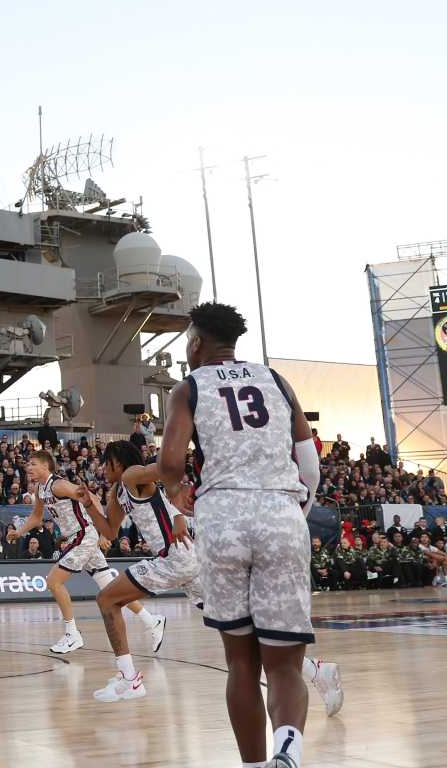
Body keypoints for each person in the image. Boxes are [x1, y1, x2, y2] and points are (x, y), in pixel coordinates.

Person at [156, 302, 319, 768]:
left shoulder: (189, 387)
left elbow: (170, 463)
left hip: (223, 516)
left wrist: (177, 490)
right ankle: (287, 753)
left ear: (196, 343)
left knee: (241, 662)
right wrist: (293, 514)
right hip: (280, 513)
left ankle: (252, 765)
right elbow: (308, 464)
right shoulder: (275, 380)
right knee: (285, 664)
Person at [77, 440, 200, 703]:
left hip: (174, 557)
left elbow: (168, 468)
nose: (101, 466)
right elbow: (109, 531)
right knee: (229, 621)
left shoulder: (132, 474)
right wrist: (88, 504)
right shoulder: (118, 492)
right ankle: (304, 666)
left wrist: (178, 509)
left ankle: (130, 679)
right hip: (183, 559)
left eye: (105, 460)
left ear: (118, 462)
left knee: (107, 599)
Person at [7, 448, 114, 654]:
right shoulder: (40, 489)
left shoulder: (59, 484)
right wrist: (19, 532)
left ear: (45, 466)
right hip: (78, 537)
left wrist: (103, 531)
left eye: (33, 464)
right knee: (109, 586)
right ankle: (151, 620)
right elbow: (36, 518)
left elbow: (92, 497)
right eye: (27, 464)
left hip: (83, 534)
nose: (28, 467)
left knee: (53, 581)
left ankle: (72, 634)